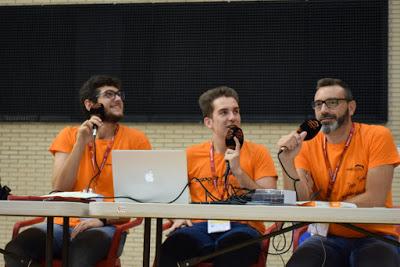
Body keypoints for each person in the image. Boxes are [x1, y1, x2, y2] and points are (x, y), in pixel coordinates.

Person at [4, 75, 152, 267]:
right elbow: (59, 187)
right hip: (60, 224)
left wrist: (103, 219)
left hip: (107, 225)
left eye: (119, 94)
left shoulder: (136, 140)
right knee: (17, 249)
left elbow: (139, 198)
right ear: (91, 105)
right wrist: (80, 143)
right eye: (109, 95)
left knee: (81, 252)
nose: (118, 99)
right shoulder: (69, 135)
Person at [277, 78, 400, 267]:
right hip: (326, 238)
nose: (324, 110)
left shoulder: (377, 136)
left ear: (351, 108)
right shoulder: (307, 145)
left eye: (332, 102)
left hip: (373, 235)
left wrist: (325, 207)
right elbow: (300, 199)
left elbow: (375, 199)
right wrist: (288, 162)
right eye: (318, 104)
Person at [159, 86, 278, 267]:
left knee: (234, 246)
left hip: (243, 227)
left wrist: (238, 171)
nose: (232, 117)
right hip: (201, 226)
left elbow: (272, 200)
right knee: (173, 246)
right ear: (209, 122)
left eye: (236, 111)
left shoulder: (258, 152)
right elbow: (169, 196)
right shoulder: (191, 155)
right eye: (224, 112)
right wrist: (177, 216)